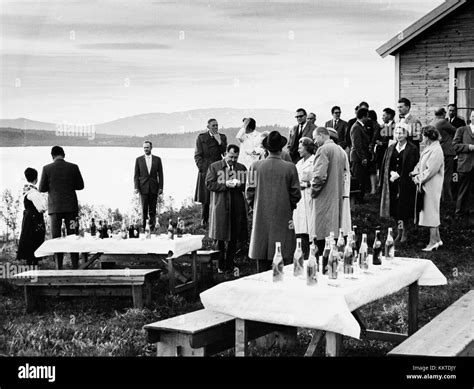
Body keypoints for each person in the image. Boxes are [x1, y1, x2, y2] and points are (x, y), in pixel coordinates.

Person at [246, 131, 301, 272]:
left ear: (266, 148)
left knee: (261, 255)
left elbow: (249, 193)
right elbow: (296, 194)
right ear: (281, 148)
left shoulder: (254, 166)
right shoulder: (290, 167)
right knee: (283, 254)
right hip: (283, 215)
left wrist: (256, 206)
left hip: (261, 216)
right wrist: (289, 207)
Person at [38, 146, 84, 269]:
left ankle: (58, 267)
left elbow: (42, 188)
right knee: (74, 236)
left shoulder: (47, 168)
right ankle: (75, 266)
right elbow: (80, 186)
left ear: (52, 156)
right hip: (71, 209)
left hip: (55, 209)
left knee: (56, 238)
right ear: (64, 154)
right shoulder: (73, 167)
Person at [206, 144, 248, 274]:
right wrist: (225, 184)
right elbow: (209, 184)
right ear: (225, 154)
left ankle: (230, 263)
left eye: (236, 157)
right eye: (231, 157)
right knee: (220, 235)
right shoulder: (215, 166)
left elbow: (248, 185)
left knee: (233, 236)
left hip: (236, 205)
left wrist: (241, 184)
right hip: (221, 205)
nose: (233, 160)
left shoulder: (241, 168)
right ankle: (220, 264)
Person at [311, 127, 350, 254]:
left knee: (321, 232)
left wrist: (313, 191)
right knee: (333, 231)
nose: (314, 142)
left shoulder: (323, 149)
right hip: (336, 195)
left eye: (315, 138)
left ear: (322, 135)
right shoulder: (339, 150)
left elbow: (319, 176)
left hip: (324, 196)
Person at [379, 125, 419, 243]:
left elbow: (414, 165)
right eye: (396, 133)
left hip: (406, 184)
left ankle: (405, 232)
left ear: (406, 134)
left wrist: (403, 175)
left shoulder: (412, 148)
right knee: (395, 209)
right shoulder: (391, 147)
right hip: (392, 183)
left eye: (401, 133)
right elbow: (386, 164)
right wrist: (391, 173)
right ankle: (399, 231)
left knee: (404, 209)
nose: (398, 135)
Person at [410, 126, 444, 251]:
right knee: (430, 212)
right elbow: (421, 164)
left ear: (428, 137)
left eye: (423, 136)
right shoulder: (430, 148)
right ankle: (438, 239)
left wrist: (418, 178)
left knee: (432, 213)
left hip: (432, 186)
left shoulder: (436, 150)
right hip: (426, 185)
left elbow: (430, 170)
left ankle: (433, 242)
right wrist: (414, 172)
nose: (421, 138)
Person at [194, 118, 227, 227]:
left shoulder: (222, 137)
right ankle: (204, 221)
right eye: (213, 125)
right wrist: (202, 168)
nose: (216, 127)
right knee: (205, 197)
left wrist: (219, 142)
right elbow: (197, 155)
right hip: (205, 169)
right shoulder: (201, 137)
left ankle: (216, 220)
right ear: (208, 126)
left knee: (218, 194)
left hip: (218, 169)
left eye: (217, 125)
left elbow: (224, 153)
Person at [17, 168, 47, 266]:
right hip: (34, 218)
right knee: (35, 240)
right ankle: (33, 264)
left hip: (28, 218)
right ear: (36, 178)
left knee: (29, 239)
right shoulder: (33, 192)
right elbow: (42, 207)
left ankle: (31, 264)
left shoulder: (26, 190)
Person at [292, 137, 316, 259]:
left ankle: (309, 255)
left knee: (309, 227)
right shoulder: (298, 163)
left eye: (300, 148)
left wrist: (307, 184)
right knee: (300, 226)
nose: (298, 150)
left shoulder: (314, 161)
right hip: (300, 198)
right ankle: (300, 255)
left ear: (307, 148)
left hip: (309, 196)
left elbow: (317, 178)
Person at [134, 140, 164, 231]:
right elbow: (136, 175)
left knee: (153, 210)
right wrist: (136, 187)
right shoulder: (138, 160)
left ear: (151, 148)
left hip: (154, 188)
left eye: (147, 147)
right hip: (143, 188)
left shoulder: (157, 159)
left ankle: (152, 227)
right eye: (144, 148)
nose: (145, 149)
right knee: (144, 209)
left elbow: (161, 174)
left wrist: (161, 187)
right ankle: (144, 227)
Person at [452, 110, 474, 221]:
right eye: (473, 116)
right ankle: (459, 212)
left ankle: (470, 211)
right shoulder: (462, 130)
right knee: (463, 189)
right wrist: (468, 147)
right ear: (470, 117)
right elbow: (455, 145)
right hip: (465, 164)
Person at [432, 108, 456, 202]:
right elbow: (456, 130)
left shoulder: (433, 122)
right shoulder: (442, 121)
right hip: (447, 152)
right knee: (447, 176)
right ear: (444, 114)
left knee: (439, 175)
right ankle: (447, 199)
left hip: (438, 150)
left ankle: (440, 198)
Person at [350, 107, 370, 203]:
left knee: (361, 179)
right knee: (357, 180)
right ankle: (357, 200)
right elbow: (357, 144)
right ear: (363, 116)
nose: (368, 118)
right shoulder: (356, 127)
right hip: (357, 158)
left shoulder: (359, 126)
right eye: (367, 116)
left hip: (359, 157)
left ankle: (360, 198)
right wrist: (363, 158)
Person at [374, 108, 396, 183]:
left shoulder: (395, 127)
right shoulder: (381, 126)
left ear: (389, 116)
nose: (382, 117)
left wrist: (382, 143)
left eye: (384, 115)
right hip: (380, 153)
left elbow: (394, 141)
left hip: (389, 153)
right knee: (381, 170)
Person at [367, 110, 380, 194]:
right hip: (372, 148)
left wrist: (371, 145)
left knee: (372, 170)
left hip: (373, 149)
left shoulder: (374, 125)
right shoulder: (375, 124)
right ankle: (373, 188)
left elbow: (374, 136)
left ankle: (373, 189)